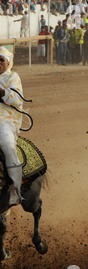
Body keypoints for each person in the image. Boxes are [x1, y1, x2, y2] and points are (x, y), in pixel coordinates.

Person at [0, 47, 25, 207]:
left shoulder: (12, 76)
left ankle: (15, 189)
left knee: (7, 145)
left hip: (6, 121)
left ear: (8, 62)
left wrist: (1, 92)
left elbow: (16, 98)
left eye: (1, 60)